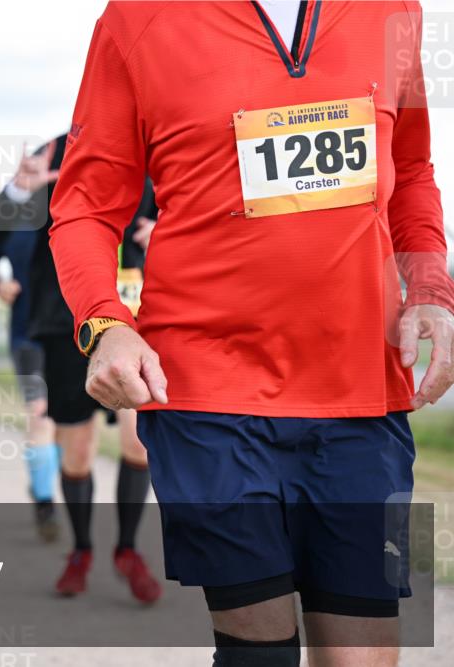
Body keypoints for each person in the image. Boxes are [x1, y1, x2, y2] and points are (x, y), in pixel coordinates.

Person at [49, 2, 454, 666]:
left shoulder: (393, 11)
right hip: (209, 394)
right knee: (259, 651)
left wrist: (432, 288)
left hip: (359, 393)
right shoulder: (138, 19)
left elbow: (409, 173)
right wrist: (106, 323)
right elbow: (86, 203)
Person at [0, 137, 161, 604]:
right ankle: (81, 551)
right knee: (77, 452)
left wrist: (162, 230)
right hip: (67, 325)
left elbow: (191, 214)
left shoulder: (155, 146)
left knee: (137, 441)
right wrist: (23, 191)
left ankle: (126, 550)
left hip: (137, 320)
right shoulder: (56, 154)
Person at [0, 228, 60, 542]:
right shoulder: (18, 218)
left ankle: (46, 478)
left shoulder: (81, 209)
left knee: (68, 424)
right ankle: (44, 503)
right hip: (29, 335)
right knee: (40, 413)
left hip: (76, 336)